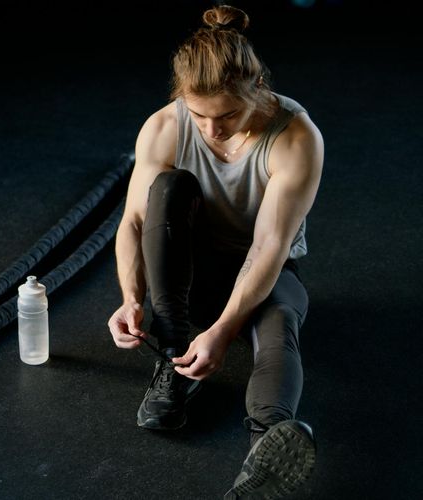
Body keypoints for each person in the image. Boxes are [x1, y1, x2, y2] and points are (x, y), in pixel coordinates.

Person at [106, 4, 323, 499]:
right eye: (199, 114)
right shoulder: (164, 125)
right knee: (168, 187)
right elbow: (135, 222)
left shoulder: (295, 136)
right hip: (186, 266)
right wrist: (130, 297)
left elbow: (269, 246)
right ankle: (176, 360)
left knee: (280, 326)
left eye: (227, 115)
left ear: (257, 89)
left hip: (263, 269)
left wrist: (224, 331)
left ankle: (264, 455)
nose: (212, 130)